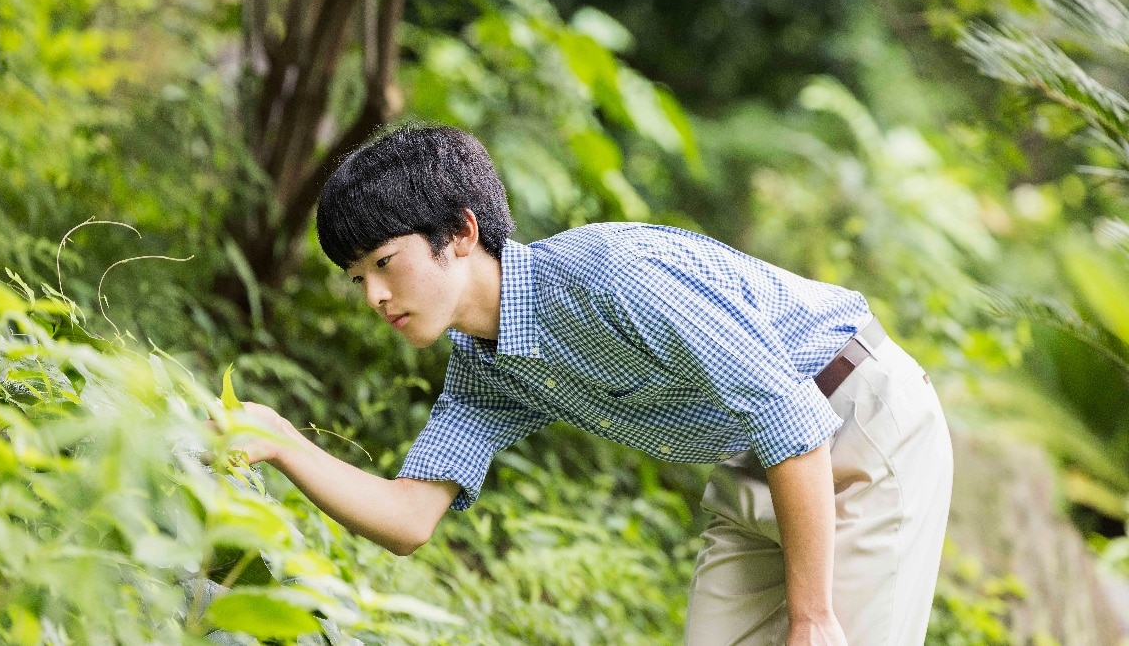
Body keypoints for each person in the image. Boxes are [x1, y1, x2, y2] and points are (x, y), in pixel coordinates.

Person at [234, 124, 954, 645]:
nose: (374, 298)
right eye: (358, 278)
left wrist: (813, 614)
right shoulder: (484, 368)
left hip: (862, 424)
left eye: (385, 263)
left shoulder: (613, 275)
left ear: (460, 231)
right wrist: (282, 443)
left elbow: (789, 418)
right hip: (761, 459)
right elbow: (409, 518)